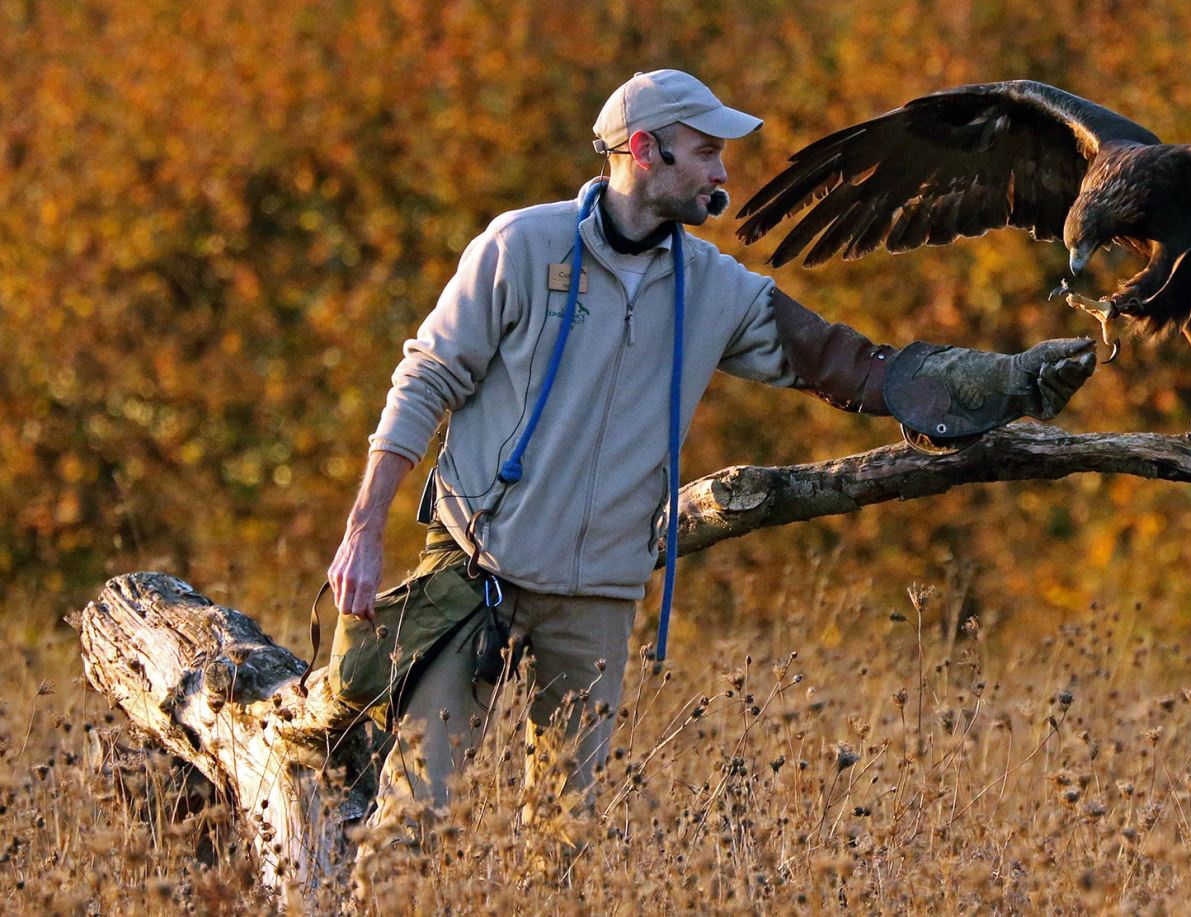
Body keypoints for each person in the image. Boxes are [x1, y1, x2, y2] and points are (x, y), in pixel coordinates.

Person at [326, 70, 1094, 847]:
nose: (723, 174)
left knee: (562, 843)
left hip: (598, 597)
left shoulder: (716, 289)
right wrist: (364, 528)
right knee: (411, 825)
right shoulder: (521, 246)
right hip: (474, 569)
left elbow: (854, 367)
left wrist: (1007, 381)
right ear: (643, 149)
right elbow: (425, 378)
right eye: (706, 153)